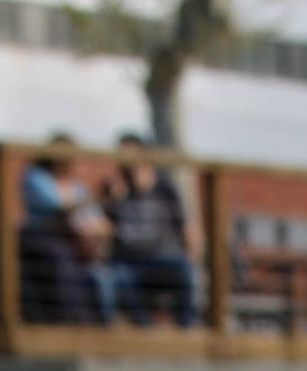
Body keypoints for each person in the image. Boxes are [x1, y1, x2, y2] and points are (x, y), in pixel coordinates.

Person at [105, 134, 197, 328]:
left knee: (185, 271)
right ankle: (144, 330)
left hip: (165, 258)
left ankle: (186, 330)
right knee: (119, 278)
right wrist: (114, 199)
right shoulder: (114, 191)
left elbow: (185, 225)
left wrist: (191, 252)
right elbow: (104, 231)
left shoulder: (165, 187)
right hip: (129, 263)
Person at [22, 134, 115, 324]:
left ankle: (104, 332)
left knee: (102, 279)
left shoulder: (78, 189)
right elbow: (58, 210)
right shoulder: (36, 179)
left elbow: (100, 222)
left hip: (83, 251)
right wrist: (96, 198)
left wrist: (94, 231)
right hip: (45, 247)